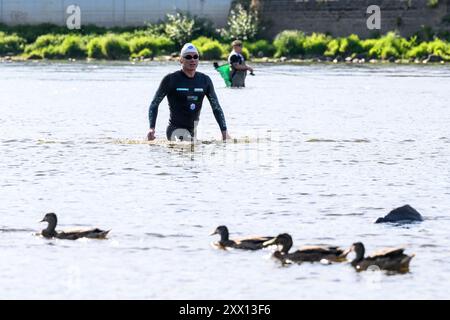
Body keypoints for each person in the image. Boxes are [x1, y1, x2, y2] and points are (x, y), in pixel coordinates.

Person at [147, 43, 230, 141]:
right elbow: (154, 104)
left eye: (195, 57)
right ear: (181, 60)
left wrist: (224, 131)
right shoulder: (170, 79)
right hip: (175, 130)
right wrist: (151, 128)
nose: (192, 60)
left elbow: (216, 107)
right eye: (188, 57)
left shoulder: (205, 80)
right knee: (187, 146)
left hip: (192, 132)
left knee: (199, 150)